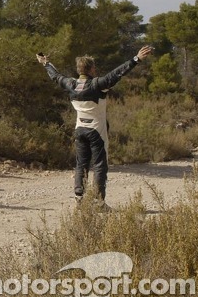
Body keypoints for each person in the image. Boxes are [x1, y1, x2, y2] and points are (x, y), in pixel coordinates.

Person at [37, 45, 154, 203]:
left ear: (79, 69)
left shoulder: (70, 84)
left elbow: (56, 76)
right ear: (91, 69)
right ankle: (99, 203)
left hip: (79, 129)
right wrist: (136, 59)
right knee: (100, 165)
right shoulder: (98, 84)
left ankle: (80, 198)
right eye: (94, 67)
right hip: (96, 131)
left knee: (81, 163)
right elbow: (117, 73)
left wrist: (46, 63)